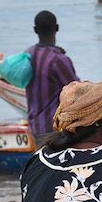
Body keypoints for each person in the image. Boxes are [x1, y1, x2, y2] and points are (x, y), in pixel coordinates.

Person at [25, 10, 79, 142]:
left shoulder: (28, 55)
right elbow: (76, 91)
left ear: (35, 30)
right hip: (55, 130)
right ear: (57, 28)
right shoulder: (59, 59)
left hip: (35, 126)